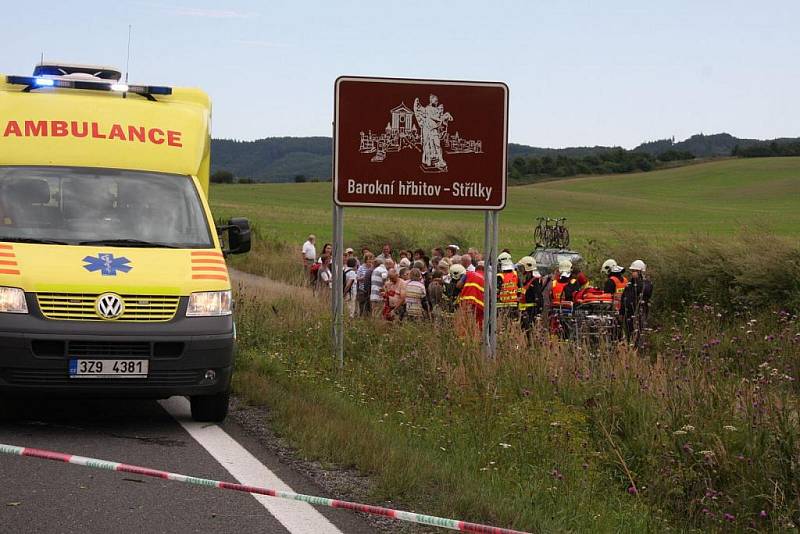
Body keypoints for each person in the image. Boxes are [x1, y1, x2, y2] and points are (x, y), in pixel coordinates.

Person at [621, 260, 653, 349]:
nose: (632, 273)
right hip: (628, 315)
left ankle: (638, 350)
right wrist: (621, 312)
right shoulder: (629, 285)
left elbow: (646, 291)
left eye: (634, 271)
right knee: (629, 334)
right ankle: (630, 349)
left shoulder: (646, 284)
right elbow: (624, 299)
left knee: (639, 333)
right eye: (632, 271)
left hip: (640, 313)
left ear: (640, 272)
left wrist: (638, 281)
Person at [546, 260, 582, 337]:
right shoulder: (574, 282)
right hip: (569, 313)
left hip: (554, 312)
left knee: (554, 334)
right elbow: (577, 297)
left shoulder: (554, 283)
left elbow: (550, 297)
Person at [517, 256, 545, 341]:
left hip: (531, 313)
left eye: (522, 268)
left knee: (529, 335)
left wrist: (537, 314)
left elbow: (539, 299)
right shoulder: (526, 282)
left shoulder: (534, 282)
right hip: (524, 313)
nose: (520, 270)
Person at [456, 262, 485, 334]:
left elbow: (458, 285)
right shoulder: (485, 279)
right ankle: (477, 339)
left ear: (475, 269)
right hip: (479, 304)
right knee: (478, 323)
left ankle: (464, 339)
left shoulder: (469, 273)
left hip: (467, 300)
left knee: (464, 322)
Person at [497, 252, 520, 318]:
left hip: (502, 307)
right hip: (514, 306)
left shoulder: (500, 276)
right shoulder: (516, 274)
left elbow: (496, 292)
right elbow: (520, 288)